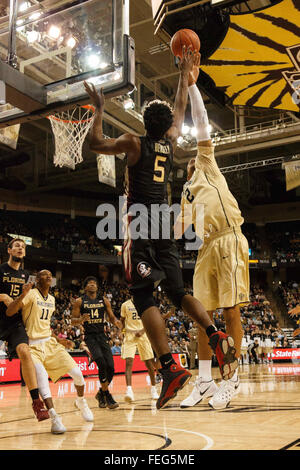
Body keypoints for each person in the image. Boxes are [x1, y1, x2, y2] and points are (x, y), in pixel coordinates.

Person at [84, 46, 238, 410]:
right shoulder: (169, 144)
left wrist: (101, 110)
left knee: (142, 295)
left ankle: (170, 367)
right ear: (166, 125)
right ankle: (215, 334)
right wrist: (184, 77)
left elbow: (93, 143)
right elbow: (180, 107)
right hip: (165, 224)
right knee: (177, 290)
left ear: (142, 121)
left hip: (141, 223)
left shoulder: (133, 143)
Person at [175, 56, 249, 410]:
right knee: (202, 317)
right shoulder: (185, 192)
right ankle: (203, 380)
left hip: (229, 239)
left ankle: (231, 379)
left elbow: (201, 124)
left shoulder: (207, 164)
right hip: (205, 249)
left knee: (231, 312)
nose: (194, 157)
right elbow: (175, 229)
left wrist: (191, 83)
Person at [6, 270, 94, 434]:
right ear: (37, 279)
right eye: (44, 274)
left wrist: (60, 340)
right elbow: (11, 311)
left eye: (50, 275)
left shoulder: (52, 299)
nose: (48, 276)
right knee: (42, 380)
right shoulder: (31, 294)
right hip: (32, 345)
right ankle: (54, 418)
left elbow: (45, 325)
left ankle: (81, 401)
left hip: (50, 343)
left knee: (78, 375)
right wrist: (21, 295)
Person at [0, 238, 49, 421]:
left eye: (23, 247)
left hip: (15, 322)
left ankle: (36, 401)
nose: (20, 248)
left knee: (24, 351)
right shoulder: (1, 270)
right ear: (9, 250)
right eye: (17, 246)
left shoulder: (27, 276)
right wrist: (3, 296)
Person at [71, 276, 122, 409]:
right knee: (101, 362)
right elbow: (72, 320)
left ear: (97, 287)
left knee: (111, 367)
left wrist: (117, 323)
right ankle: (107, 395)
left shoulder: (104, 300)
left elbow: (111, 317)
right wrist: (81, 319)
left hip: (102, 336)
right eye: (90, 283)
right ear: (85, 287)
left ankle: (101, 393)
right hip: (90, 337)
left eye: (95, 283)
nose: (93, 285)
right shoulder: (79, 301)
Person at [120, 297, 159, 402]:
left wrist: (142, 331)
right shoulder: (125, 305)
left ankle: (154, 389)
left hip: (143, 335)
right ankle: (129, 390)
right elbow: (122, 320)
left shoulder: (145, 303)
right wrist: (121, 332)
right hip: (129, 335)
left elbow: (149, 321)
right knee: (128, 362)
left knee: (149, 364)